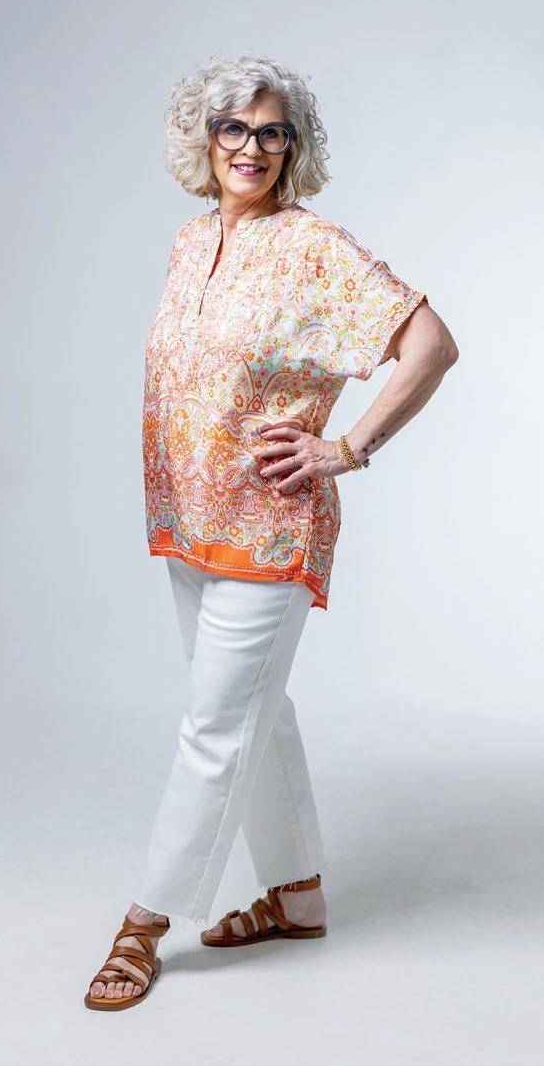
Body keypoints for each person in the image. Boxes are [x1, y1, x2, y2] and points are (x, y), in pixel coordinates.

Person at [85, 54, 459, 1011]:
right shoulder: (190, 240)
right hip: (190, 521)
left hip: (268, 522)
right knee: (257, 713)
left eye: (272, 132)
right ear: (205, 139)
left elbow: (431, 344)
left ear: (294, 148)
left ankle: (143, 925)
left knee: (215, 728)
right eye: (234, 128)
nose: (251, 147)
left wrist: (348, 447)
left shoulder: (312, 247)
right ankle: (298, 898)